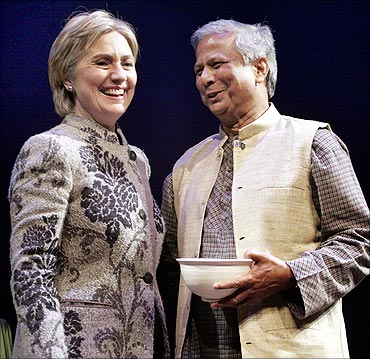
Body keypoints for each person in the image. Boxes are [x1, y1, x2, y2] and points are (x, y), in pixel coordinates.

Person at [158, 19, 370, 358]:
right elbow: (169, 269)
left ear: (259, 68)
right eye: (198, 70)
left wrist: (290, 275)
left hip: (291, 349)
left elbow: (358, 241)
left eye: (216, 64)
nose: (204, 79)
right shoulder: (186, 167)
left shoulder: (313, 143)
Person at [8, 9, 169, 358]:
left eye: (127, 64)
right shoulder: (50, 148)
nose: (119, 75)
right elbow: (31, 271)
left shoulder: (138, 160)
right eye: (102, 62)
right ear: (68, 76)